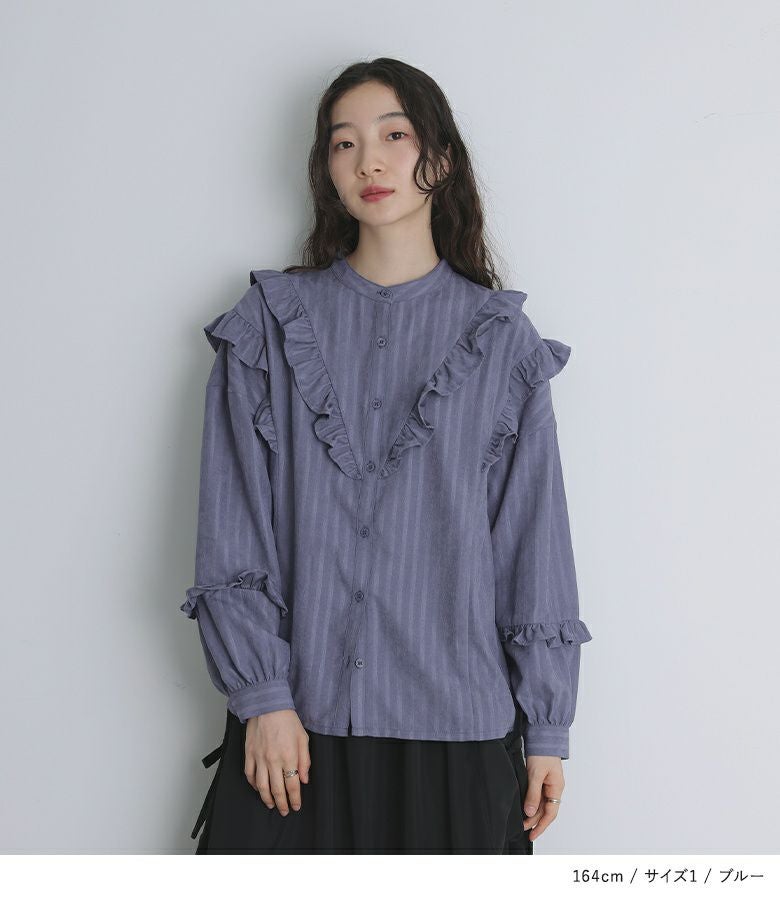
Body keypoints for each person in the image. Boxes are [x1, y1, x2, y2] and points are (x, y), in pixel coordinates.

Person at [180, 57, 593, 854]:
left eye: (394, 136)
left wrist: (547, 727)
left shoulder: (503, 342)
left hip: (458, 738)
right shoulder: (268, 326)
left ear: (442, 157)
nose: (369, 161)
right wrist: (263, 697)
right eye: (344, 143)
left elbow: (532, 543)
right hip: (293, 736)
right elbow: (232, 530)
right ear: (326, 170)